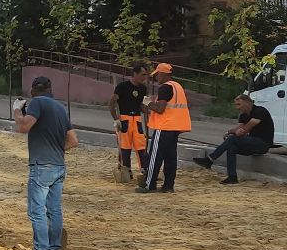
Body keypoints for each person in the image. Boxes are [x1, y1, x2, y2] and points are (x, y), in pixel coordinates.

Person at [15, 75, 77, 250]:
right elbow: (73, 141)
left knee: (37, 211)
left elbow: (24, 126)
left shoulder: (36, 103)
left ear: (33, 90)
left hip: (42, 166)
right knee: (54, 210)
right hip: (59, 165)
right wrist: (57, 150)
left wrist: (17, 110)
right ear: (50, 90)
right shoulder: (60, 108)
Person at [193, 93, 274, 184]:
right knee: (231, 147)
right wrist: (229, 131)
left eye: (239, 104)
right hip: (251, 143)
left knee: (232, 139)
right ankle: (232, 177)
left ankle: (210, 160)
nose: (237, 108)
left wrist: (234, 133)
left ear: (247, 103)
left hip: (262, 144)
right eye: (236, 105)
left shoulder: (260, 111)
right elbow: (238, 130)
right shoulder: (243, 115)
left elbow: (243, 130)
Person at [137, 62, 191, 194]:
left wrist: (148, 103)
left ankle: (149, 185)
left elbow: (160, 109)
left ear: (163, 74)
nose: (156, 78)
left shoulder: (165, 88)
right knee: (170, 157)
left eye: (157, 75)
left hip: (164, 126)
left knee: (155, 157)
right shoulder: (177, 86)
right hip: (175, 127)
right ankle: (168, 185)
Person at [110, 64, 150, 183]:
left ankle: (144, 169)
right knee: (125, 147)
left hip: (136, 119)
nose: (145, 77)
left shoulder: (143, 89)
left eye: (146, 75)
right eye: (143, 75)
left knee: (141, 146)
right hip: (125, 119)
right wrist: (116, 119)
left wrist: (149, 108)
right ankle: (126, 171)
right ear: (135, 74)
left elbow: (143, 106)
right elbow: (111, 104)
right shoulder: (122, 87)